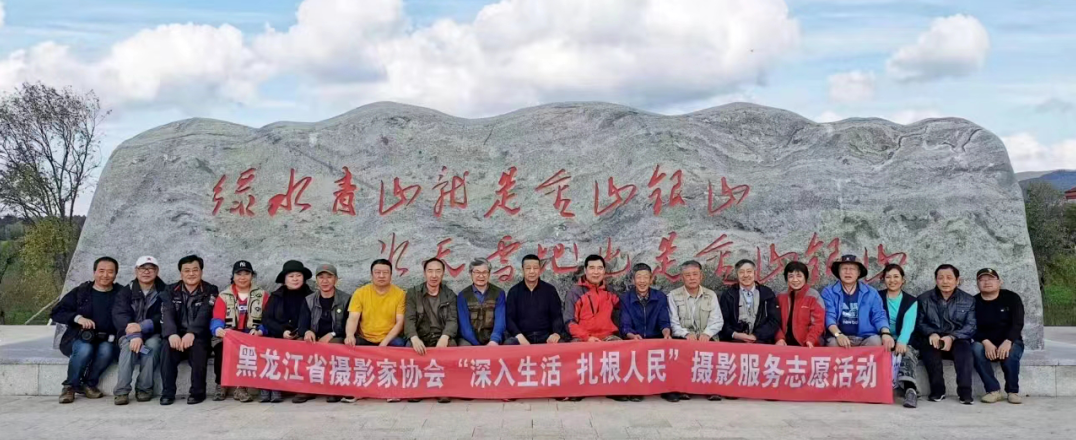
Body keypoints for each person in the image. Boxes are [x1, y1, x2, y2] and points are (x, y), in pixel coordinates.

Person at [51, 256, 122, 404]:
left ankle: (89, 384)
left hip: (107, 340)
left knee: (107, 350)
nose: (105, 275)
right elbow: (57, 312)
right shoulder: (81, 292)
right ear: (94, 272)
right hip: (79, 338)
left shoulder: (121, 293)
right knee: (85, 349)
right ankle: (70, 386)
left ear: (116, 274)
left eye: (110, 272)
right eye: (101, 271)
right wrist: (78, 318)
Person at [344, 259, 407, 403]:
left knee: (400, 346)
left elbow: (400, 322)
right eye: (377, 272)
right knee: (348, 346)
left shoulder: (400, 294)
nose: (381, 276)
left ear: (391, 275)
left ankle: (392, 389)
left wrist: (384, 342)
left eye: (385, 272)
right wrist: (350, 335)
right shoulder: (360, 293)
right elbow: (353, 318)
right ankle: (357, 390)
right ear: (371, 275)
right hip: (365, 337)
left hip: (389, 338)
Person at [160, 255, 218, 405]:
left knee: (199, 348)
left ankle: (197, 392)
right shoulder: (170, 290)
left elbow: (205, 313)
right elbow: (167, 312)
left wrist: (192, 332)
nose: (191, 274)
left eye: (195, 270)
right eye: (186, 270)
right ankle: (167, 392)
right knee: (166, 347)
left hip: (198, 334)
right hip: (176, 334)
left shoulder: (210, 290)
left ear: (201, 272)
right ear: (181, 273)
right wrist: (172, 333)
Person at [917, 264, 977, 404]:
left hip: (958, 338)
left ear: (957, 280)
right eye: (941, 278)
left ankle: (965, 392)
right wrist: (931, 333)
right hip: (934, 337)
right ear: (936, 280)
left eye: (949, 278)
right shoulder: (924, 299)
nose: (945, 281)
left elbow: (971, 325)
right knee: (929, 350)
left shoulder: (968, 300)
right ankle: (938, 391)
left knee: (964, 351)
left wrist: (952, 336)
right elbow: (919, 323)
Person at [111, 256, 167, 405]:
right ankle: (122, 391)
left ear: (157, 271)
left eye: (150, 268)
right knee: (129, 347)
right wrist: (135, 334)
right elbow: (120, 315)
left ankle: (144, 388)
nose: (146, 272)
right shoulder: (126, 291)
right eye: (142, 268)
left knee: (152, 346)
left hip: (154, 333)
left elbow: (165, 315)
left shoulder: (165, 291)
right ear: (136, 271)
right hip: (128, 333)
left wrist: (142, 326)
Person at [209, 260, 267, 403]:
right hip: (229, 335)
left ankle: (241, 387)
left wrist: (260, 331)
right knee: (221, 349)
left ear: (252, 275)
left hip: (251, 335)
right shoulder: (224, 296)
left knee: (248, 350)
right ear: (233, 276)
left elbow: (268, 319)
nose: (242, 277)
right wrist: (218, 329)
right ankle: (221, 384)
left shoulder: (262, 295)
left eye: (246, 273)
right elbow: (217, 317)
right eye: (239, 274)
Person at [294, 264, 352, 403]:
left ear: (336, 279)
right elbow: (301, 325)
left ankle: (334, 388)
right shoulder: (309, 300)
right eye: (321, 277)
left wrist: (332, 334)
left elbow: (348, 325)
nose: (325, 281)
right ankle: (307, 388)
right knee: (300, 344)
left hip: (336, 337)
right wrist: (307, 331)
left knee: (335, 345)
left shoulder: (346, 299)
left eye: (329, 277)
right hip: (316, 337)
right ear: (316, 280)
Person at [404, 258, 458, 404]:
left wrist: (445, 337)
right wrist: (414, 337)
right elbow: (409, 319)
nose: (434, 275)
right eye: (430, 271)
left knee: (451, 346)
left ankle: (443, 389)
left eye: (438, 271)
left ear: (443, 274)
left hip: (440, 335)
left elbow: (452, 320)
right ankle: (416, 389)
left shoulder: (449, 295)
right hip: (421, 336)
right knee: (409, 348)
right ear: (424, 273)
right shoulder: (413, 293)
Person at [667, 260, 722, 402]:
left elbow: (717, 320)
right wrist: (685, 333)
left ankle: (711, 389)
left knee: (713, 352)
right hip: (684, 338)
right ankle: (684, 389)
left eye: (695, 274)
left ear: (701, 276)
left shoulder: (711, 295)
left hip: (706, 338)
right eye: (687, 275)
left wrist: (707, 333)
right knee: (680, 352)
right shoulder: (673, 295)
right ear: (682, 278)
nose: (692, 278)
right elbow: (673, 322)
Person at [618, 263, 671, 402]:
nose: (642, 281)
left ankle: (668, 389)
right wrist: (632, 335)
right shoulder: (625, 298)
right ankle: (636, 389)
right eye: (639, 277)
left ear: (651, 279)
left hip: (655, 340)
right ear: (633, 280)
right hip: (635, 340)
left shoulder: (660, 297)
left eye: (645, 277)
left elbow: (664, 321)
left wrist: (666, 333)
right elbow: (625, 325)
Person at [261, 260, 312, 403]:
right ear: (284, 280)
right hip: (279, 335)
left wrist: (301, 332)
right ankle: (271, 386)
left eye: (298, 275)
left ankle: (303, 389)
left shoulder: (311, 296)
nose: (295, 279)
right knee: (268, 348)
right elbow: (267, 319)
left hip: (302, 335)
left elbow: (313, 318)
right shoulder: (276, 296)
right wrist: (282, 332)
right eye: (291, 276)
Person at [972, 268, 1025, 404]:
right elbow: (971, 326)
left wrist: (1008, 341)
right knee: (975, 349)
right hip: (985, 342)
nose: (987, 282)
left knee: (1011, 353)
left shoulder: (1012, 298)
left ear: (999, 282)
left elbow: (1018, 323)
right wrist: (985, 342)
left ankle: (1012, 392)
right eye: (982, 279)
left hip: (1010, 340)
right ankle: (993, 390)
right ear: (977, 284)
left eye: (991, 279)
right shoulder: (973, 302)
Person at [821, 255, 895, 349]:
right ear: (838, 272)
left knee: (876, 341)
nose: (848, 272)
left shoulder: (871, 292)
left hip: (864, 337)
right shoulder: (829, 292)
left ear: (859, 272)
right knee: (832, 344)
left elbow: (879, 315)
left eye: (852, 269)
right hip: (838, 336)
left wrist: (885, 333)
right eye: (844, 268)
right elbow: (829, 316)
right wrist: (838, 334)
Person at [878, 264, 921, 408]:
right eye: (888, 277)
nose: (892, 280)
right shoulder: (877, 297)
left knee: (906, 353)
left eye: (896, 277)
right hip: (882, 337)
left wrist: (902, 341)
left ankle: (910, 390)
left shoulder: (911, 301)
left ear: (903, 280)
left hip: (904, 339)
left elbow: (909, 325)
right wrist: (884, 335)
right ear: (883, 279)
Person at [505, 254, 568, 346]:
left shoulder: (549, 290)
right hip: (522, 336)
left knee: (561, 344)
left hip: (546, 336)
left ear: (540, 270)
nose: (532, 271)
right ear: (522, 270)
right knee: (509, 344)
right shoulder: (514, 292)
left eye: (535, 268)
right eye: (528, 268)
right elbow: (509, 319)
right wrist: (519, 336)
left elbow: (557, 316)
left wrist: (556, 333)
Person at [719, 259, 780, 345]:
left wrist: (755, 336)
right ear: (737, 275)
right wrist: (735, 335)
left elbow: (773, 320)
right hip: (735, 342)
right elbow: (722, 320)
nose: (745, 275)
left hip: (761, 341)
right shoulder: (728, 295)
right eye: (741, 272)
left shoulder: (767, 293)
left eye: (749, 271)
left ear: (755, 273)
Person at [564, 255, 622, 343]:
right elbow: (569, 322)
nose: (596, 272)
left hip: (608, 337)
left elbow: (626, 307)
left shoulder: (610, 291)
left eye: (600, 268)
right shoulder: (575, 292)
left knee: (621, 346)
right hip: (583, 338)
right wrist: (587, 337)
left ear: (604, 270)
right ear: (585, 270)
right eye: (592, 268)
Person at [456, 258, 507, 347]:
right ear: (471, 274)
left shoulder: (499, 293)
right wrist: (477, 345)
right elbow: (464, 326)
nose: (481, 276)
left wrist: (494, 340)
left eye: (484, 272)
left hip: (492, 339)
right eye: (477, 272)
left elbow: (500, 321)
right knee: (464, 346)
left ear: (489, 274)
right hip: (470, 340)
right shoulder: (463, 295)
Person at [774, 261, 825, 348]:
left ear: (805, 277)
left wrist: (811, 339)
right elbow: (775, 321)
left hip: (807, 344)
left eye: (799, 276)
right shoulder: (781, 296)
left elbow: (818, 323)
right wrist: (779, 338)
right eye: (791, 276)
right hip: (784, 344)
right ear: (786, 279)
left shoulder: (813, 296)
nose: (795, 280)